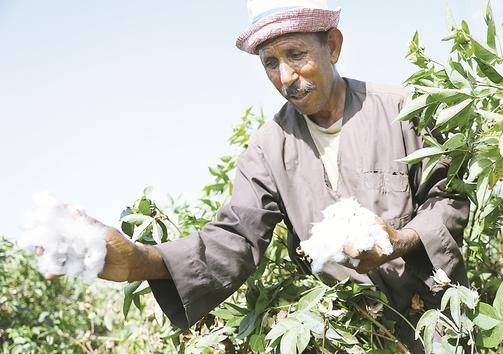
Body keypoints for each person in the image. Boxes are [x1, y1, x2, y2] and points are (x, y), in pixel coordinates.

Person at [42, 0, 471, 331]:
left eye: (296, 54)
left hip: (441, 324)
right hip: (362, 340)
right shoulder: (268, 150)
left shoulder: (402, 110)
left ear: (333, 46)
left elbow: (448, 201)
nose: (285, 77)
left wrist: (401, 240)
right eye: (270, 62)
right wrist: (143, 260)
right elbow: (234, 238)